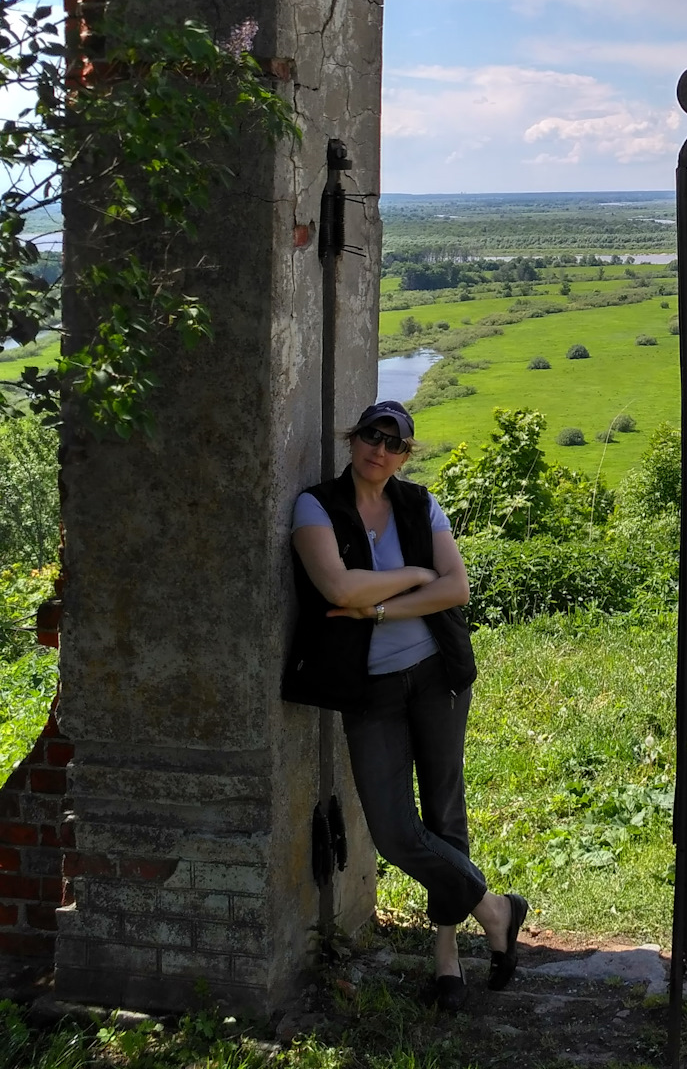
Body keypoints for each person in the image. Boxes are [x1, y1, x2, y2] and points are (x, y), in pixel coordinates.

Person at [282, 400, 526, 1011]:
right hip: (369, 688)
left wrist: (382, 605)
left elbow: (458, 587)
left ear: (405, 455)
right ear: (353, 439)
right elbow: (336, 585)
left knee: (446, 811)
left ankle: (447, 961)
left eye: (394, 443)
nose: (380, 450)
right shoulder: (316, 505)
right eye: (371, 436)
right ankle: (496, 909)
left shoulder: (420, 504)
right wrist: (416, 573)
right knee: (394, 831)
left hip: (437, 675)